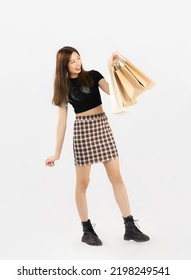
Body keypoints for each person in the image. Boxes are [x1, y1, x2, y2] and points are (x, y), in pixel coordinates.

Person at [45, 46, 150, 246]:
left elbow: (115, 93)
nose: (78, 63)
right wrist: (56, 153)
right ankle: (87, 230)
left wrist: (112, 68)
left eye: (78, 58)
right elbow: (61, 122)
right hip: (83, 132)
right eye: (72, 61)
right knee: (83, 183)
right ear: (64, 66)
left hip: (102, 126)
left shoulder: (93, 75)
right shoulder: (63, 86)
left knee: (116, 176)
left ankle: (130, 226)